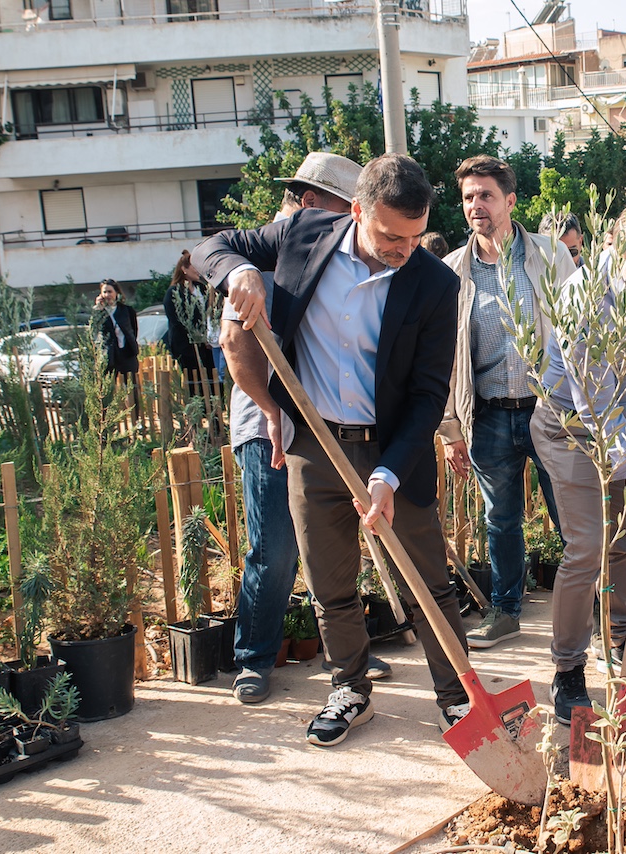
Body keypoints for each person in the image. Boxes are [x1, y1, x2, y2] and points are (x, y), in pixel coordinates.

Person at [195, 153, 470, 746]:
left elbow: (427, 395)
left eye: (416, 236)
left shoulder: (433, 283)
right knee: (330, 581)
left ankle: (457, 698)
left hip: (393, 449)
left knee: (429, 581)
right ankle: (350, 687)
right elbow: (209, 247)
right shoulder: (300, 235)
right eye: (392, 236)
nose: (404, 249)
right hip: (314, 446)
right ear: (356, 211)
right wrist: (237, 272)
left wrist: (390, 474)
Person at [216, 151, 391, 704]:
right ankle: (254, 656)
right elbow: (234, 344)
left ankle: (346, 652)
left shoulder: (338, 258)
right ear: (313, 203)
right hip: (267, 423)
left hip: (322, 429)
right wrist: (272, 409)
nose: (354, 225)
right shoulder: (263, 262)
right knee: (275, 549)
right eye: (348, 210)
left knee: (331, 546)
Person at [533, 193, 626, 725]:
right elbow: (596, 409)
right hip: (570, 428)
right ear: (618, 240)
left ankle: (621, 642)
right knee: (588, 545)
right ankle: (567, 672)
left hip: (624, 418)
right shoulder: (585, 297)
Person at [439, 155, 574, 651]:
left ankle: (603, 605)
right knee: (501, 519)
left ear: (510, 201)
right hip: (491, 413)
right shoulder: (452, 271)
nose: (476, 205)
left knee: (570, 512)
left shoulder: (548, 256)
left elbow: (574, 329)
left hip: (548, 409)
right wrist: (451, 427)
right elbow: (446, 356)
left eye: (486, 195)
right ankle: (506, 610)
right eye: (469, 196)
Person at [164, 250, 217, 396]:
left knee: (211, 380)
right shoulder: (174, 292)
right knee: (195, 383)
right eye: (194, 267)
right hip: (186, 346)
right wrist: (197, 336)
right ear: (184, 269)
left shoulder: (201, 288)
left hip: (206, 346)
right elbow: (176, 321)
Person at [94, 278, 139, 378]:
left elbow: (133, 330)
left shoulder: (126, 310)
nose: (107, 295)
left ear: (116, 293)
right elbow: (95, 330)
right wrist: (97, 308)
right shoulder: (100, 313)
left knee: (131, 385)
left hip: (127, 352)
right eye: (104, 292)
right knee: (108, 386)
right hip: (109, 355)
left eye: (110, 292)